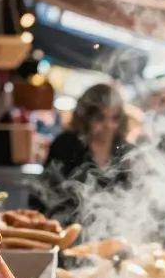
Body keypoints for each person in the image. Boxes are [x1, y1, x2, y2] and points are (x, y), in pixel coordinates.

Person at [34, 84, 135, 226]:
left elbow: (134, 197)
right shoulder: (66, 145)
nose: (108, 125)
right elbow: (43, 193)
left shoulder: (126, 152)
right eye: (100, 118)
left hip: (114, 232)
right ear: (85, 117)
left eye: (114, 118)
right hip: (67, 230)